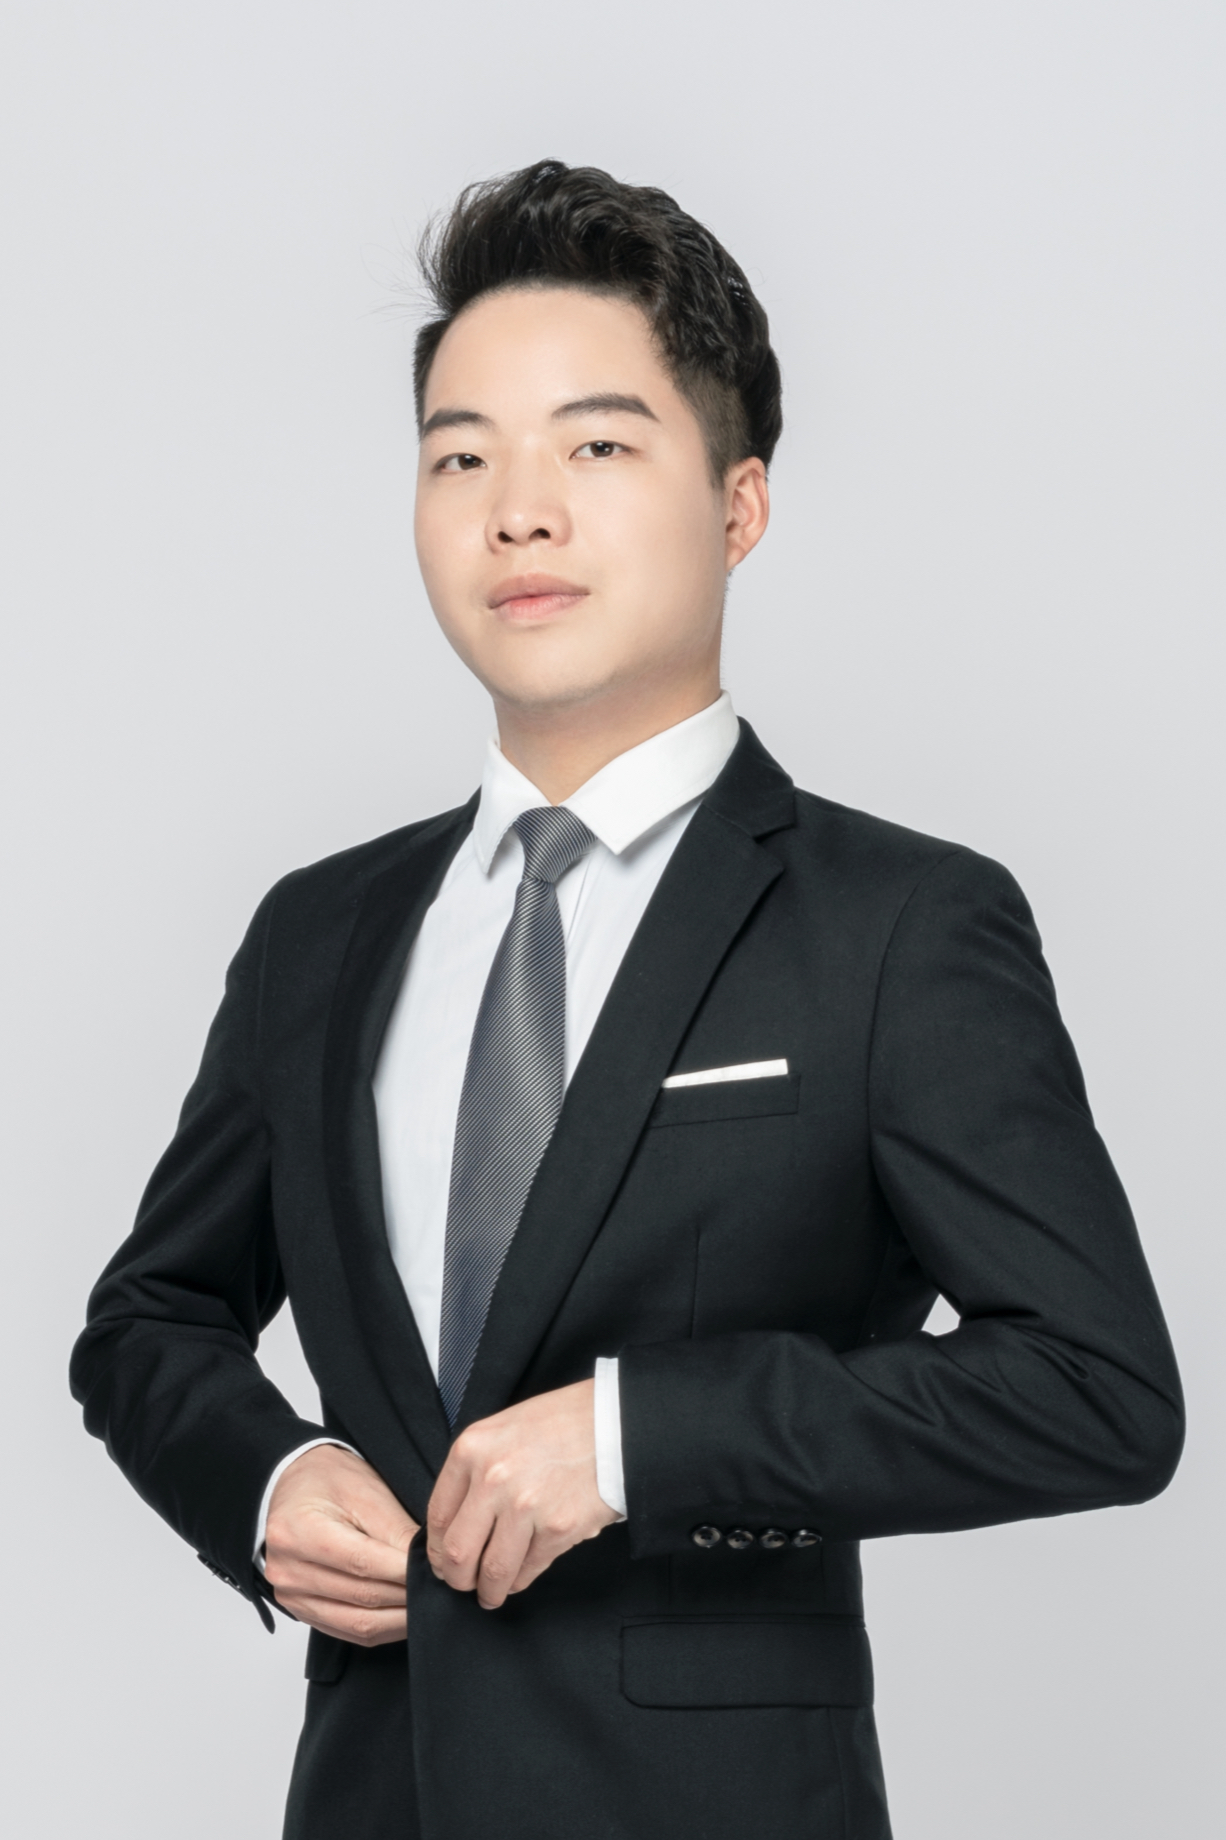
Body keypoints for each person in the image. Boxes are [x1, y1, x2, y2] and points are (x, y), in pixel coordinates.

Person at [71, 159, 1183, 1840]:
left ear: (738, 505)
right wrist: (265, 1477)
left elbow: (1094, 1389)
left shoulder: (897, 925)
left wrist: (635, 1440)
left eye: (595, 447)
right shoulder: (319, 931)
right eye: (461, 456)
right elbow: (150, 1318)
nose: (517, 512)